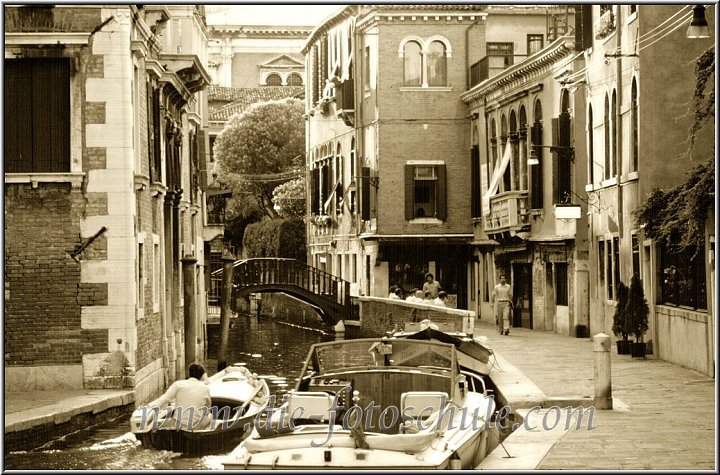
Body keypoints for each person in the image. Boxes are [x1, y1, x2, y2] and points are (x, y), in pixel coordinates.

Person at [147, 363, 212, 431]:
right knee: (210, 416)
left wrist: (151, 406)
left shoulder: (178, 384)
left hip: (178, 424)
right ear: (201, 376)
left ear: (189, 373)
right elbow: (207, 409)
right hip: (195, 426)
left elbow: (164, 399)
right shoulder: (205, 389)